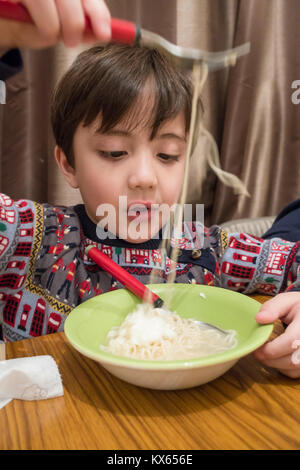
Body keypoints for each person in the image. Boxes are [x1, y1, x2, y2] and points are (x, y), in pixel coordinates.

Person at [0, 13, 300, 379]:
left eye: (167, 156)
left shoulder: (205, 250)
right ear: (68, 164)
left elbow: (291, 260)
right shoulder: (30, 239)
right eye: (114, 152)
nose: (145, 178)